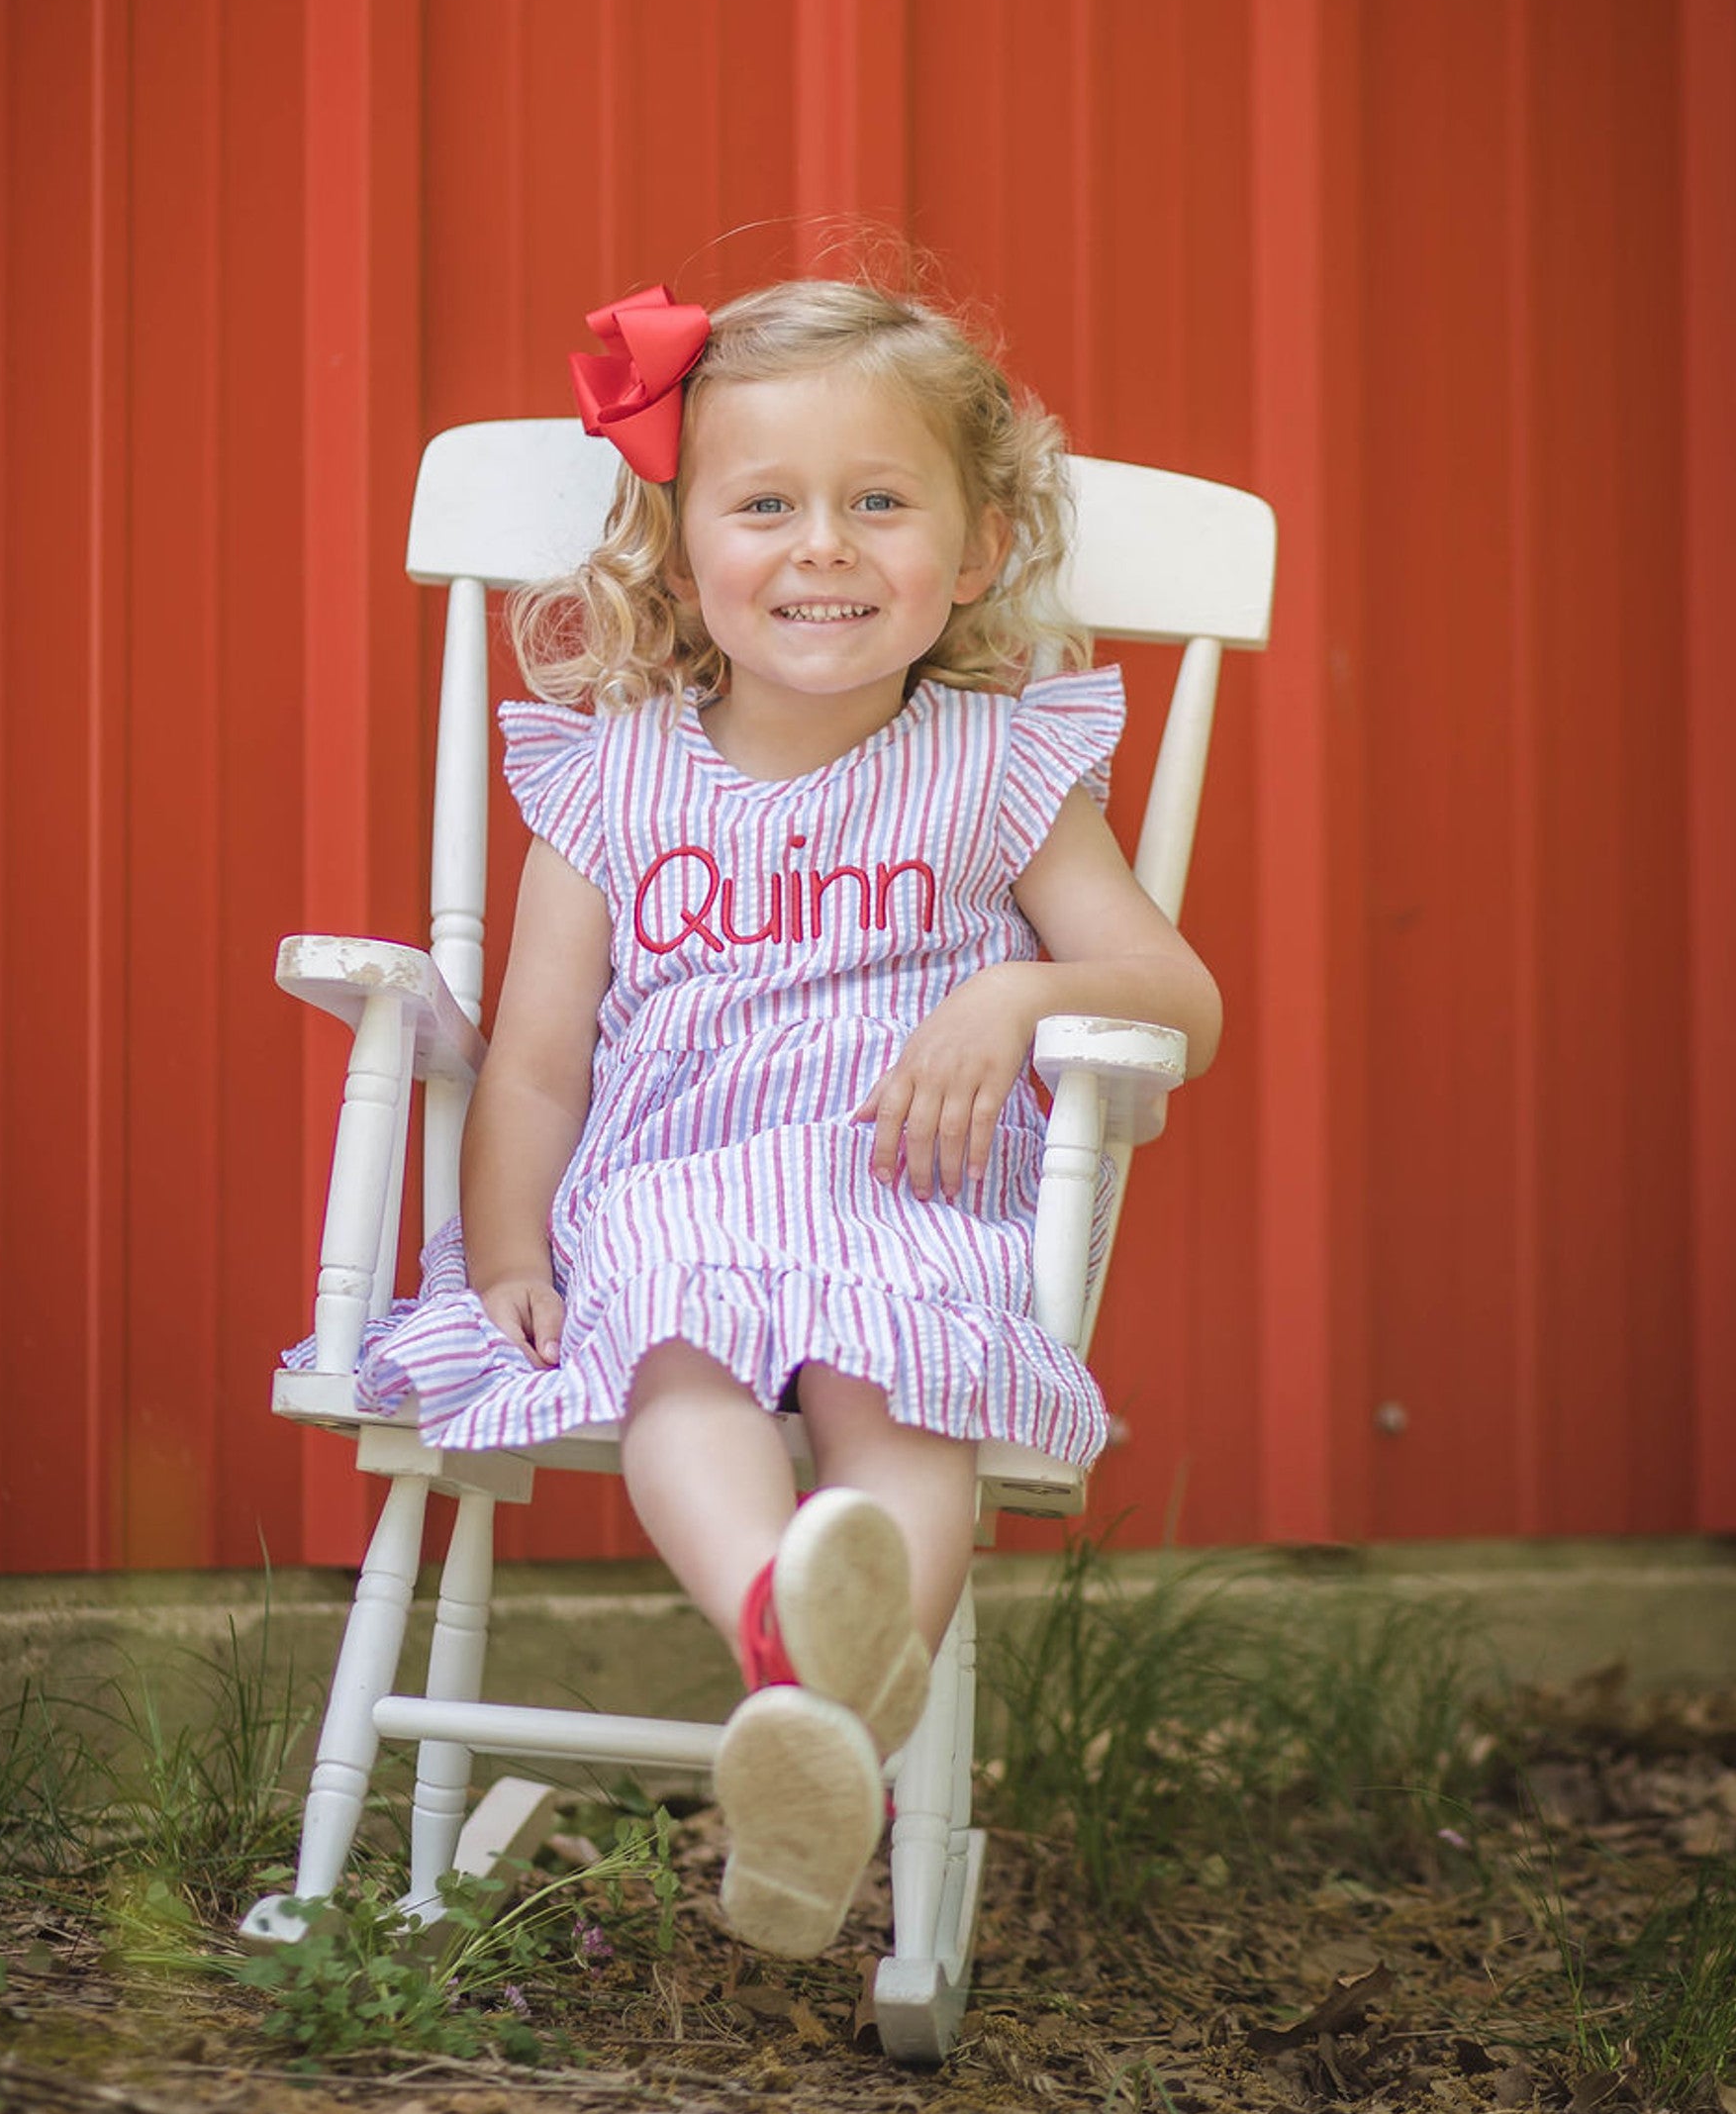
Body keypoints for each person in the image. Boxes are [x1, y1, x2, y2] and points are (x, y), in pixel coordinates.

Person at [342, 275, 1221, 1957]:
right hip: (670, 1191)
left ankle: (808, 1730)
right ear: (685, 555)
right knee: (676, 1351)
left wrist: (1015, 995)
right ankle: (788, 1644)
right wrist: (509, 1250)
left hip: (907, 1193)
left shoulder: (1000, 767)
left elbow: (1179, 999)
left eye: (879, 504)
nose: (823, 547)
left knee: (903, 1394)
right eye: (767, 506)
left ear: (971, 552)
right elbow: (535, 1059)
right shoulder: (615, 774)